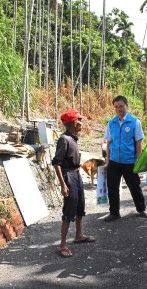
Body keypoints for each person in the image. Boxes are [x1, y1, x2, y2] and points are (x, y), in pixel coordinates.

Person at [52, 109, 95, 257]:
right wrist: (63, 184)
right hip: (68, 175)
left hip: (76, 175)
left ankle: (78, 235)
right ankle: (62, 245)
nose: (81, 123)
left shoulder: (73, 138)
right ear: (73, 123)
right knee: (69, 209)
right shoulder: (64, 139)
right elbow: (57, 163)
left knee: (80, 207)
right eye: (79, 120)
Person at [103, 95, 147, 222]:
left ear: (126, 106)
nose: (119, 109)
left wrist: (139, 161)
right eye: (116, 107)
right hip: (114, 161)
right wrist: (107, 159)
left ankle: (141, 209)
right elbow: (108, 142)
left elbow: (138, 143)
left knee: (134, 186)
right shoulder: (111, 122)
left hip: (129, 161)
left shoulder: (135, 122)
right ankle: (114, 212)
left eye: (121, 106)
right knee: (112, 187)